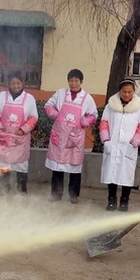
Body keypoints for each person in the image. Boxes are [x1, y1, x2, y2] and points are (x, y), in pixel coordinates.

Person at [44, 69, 98, 203]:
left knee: (74, 168)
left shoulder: (87, 98)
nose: (73, 83)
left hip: (75, 138)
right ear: (68, 81)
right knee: (57, 167)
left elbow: (93, 115)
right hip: (60, 135)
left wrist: (85, 121)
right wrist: (55, 115)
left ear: (81, 82)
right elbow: (48, 105)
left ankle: (73, 194)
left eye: (76, 80)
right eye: (71, 80)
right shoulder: (60, 94)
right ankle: (56, 193)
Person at [99, 78, 140, 212]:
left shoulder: (138, 106)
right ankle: (111, 200)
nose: (126, 94)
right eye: (124, 91)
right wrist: (106, 140)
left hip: (129, 146)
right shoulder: (111, 105)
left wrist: (135, 141)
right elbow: (104, 123)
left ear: (133, 92)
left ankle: (124, 201)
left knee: (126, 175)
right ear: (119, 91)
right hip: (113, 144)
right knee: (111, 173)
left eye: (129, 92)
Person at [0, 71, 38, 193]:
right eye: (12, 83)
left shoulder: (29, 99)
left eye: (18, 83)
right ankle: (3, 189)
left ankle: (21, 190)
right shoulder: (1, 96)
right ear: (8, 84)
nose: (15, 86)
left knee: (21, 166)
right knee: (3, 165)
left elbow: (33, 117)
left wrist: (23, 130)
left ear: (22, 83)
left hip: (19, 139)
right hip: (3, 139)